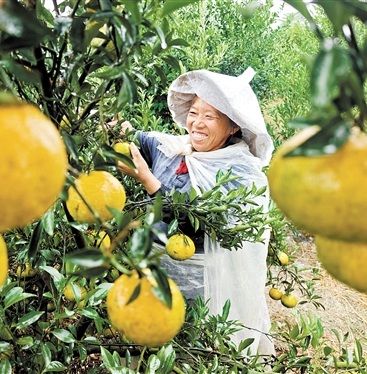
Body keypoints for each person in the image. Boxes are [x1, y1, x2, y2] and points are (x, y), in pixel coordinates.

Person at [109, 67, 275, 355]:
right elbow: (135, 136)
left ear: (234, 126)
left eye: (210, 116)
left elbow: (197, 222)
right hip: (150, 272)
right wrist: (112, 125)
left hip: (198, 285)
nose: (197, 123)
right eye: (194, 112)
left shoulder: (240, 173)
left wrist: (148, 180)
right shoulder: (172, 147)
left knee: (187, 350)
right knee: (144, 338)